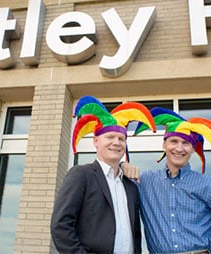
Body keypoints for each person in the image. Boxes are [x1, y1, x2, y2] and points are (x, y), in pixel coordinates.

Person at [122, 107, 211, 254]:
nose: (179, 148)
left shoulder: (206, 185)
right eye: (174, 141)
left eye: (186, 143)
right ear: (164, 145)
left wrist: (210, 244)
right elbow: (114, 182)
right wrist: (123, 164)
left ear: (193, 148)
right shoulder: (145, 182)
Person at [51, 96, 156, 253]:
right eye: (110, 137)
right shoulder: (81, 175)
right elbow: (61, 226)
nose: (116, 142)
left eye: (121, 139)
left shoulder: (130, 185)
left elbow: (135, 234)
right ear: (96, 141)